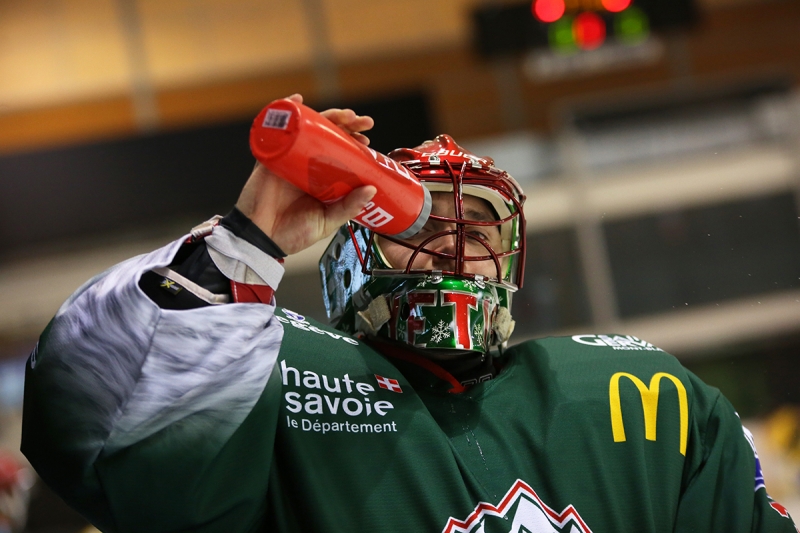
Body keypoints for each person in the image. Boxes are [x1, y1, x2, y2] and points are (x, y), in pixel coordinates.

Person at [21, 94, 797, 533]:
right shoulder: (266, 368)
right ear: (348, 256)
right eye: (417, 226)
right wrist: (246, 243)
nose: (454, 251)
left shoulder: (639, 393)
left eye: (480, 229)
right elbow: (83, 410)